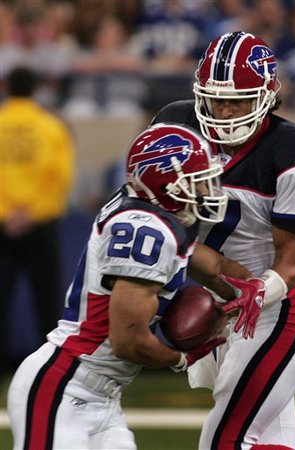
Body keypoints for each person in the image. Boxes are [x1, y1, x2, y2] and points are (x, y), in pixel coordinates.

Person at [7, 122, 262, 450]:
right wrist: (182, 358)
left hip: (102, 397)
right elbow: (127, 341)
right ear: (165, 183)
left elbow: (212, 267)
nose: (206, 190)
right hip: (64, 388)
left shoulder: (156, 216)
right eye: (195, 181)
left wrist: (256, 291)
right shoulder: (143, 230)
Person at [151, 31, 295, 450]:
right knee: (266, 441)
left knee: (225, 440)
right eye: (217, 98)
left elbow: (290, 265)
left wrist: (242, 300)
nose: (225, 110)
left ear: (269, 96)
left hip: (273, 310)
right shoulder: (175, 125)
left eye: (239, 99)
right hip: (215, 294)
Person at [0, 66, 75, 376]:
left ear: (6, 87)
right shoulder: (51, 126)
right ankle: (50, 364)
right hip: (39, 222)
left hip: (3, 224)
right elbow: (60, 175)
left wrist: (8, 213)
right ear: (35, 89)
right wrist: (30, 211)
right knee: (46, 297)